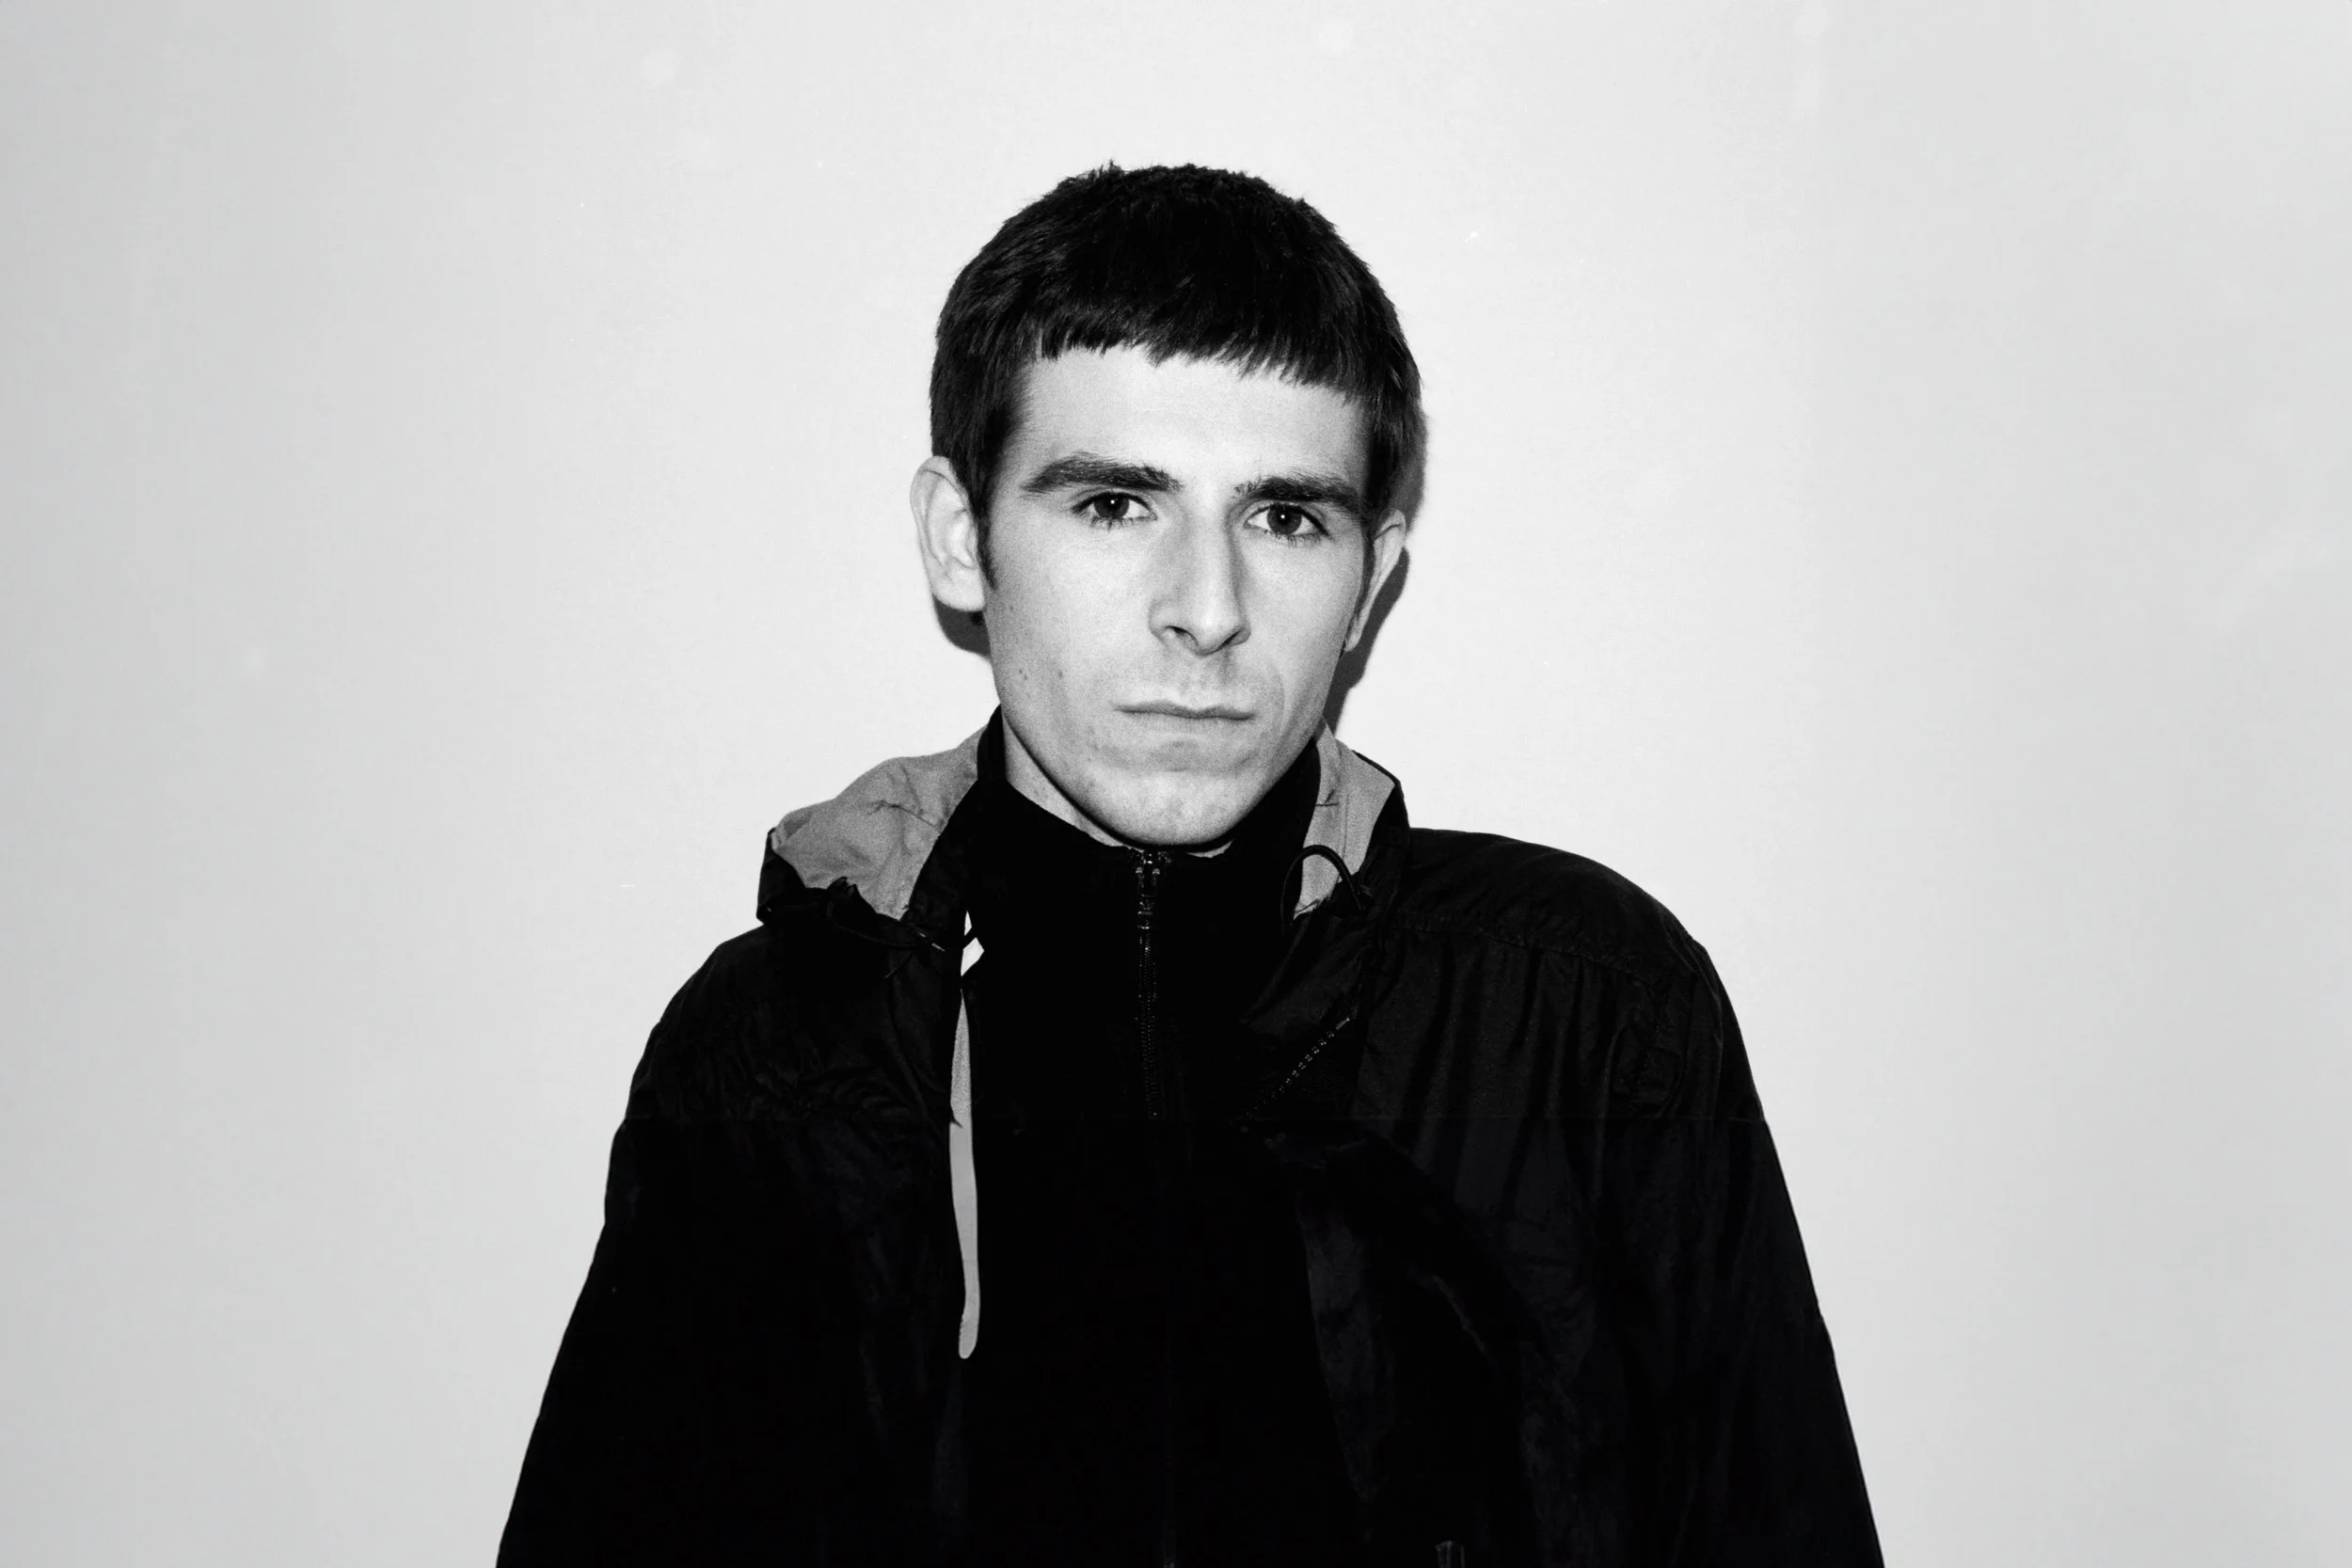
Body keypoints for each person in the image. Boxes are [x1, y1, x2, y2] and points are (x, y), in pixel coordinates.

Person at [500, 163, 1882, 1568]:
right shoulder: (773, 1053)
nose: (1208, 612)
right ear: (960, 537)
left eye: (1286, 518)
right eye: (1114, 505)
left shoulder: (1590, 1011)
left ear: (1373, 576)